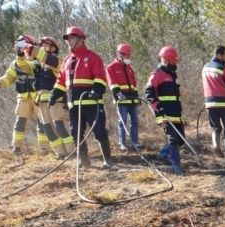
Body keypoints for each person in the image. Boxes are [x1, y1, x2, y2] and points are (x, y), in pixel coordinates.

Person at [49, 26, 112, 168]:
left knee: (99, 131)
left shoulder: (93, 57)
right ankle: (84, 161)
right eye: (67, 39)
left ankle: (107, 160)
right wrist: (54, 94)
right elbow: (61, 81)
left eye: (72, 38)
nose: (69, 41)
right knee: (75, 133)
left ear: (81, 39)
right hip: (74, 106)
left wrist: (97, 90)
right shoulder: (66, 61)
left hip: (91, 103)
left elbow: (100, 77)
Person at [15, 35, 73, 158]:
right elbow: (24, 66)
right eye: (42, 46)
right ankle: (61, 153)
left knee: (61, 127)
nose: (44, 48)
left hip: (56, 101)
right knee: (48, 129)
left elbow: (49, 61)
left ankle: (72, 151)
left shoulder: (58, 62)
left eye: (47, 45)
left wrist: (33, 49)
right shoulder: (37, 65)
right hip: (41, 101)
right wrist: (20, 55)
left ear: (53, 49)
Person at [0, 35, 39, 156]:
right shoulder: (15, 63)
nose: (21, 48)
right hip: (23, 97)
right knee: (19, 123)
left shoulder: (38, 60)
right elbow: (9, 77)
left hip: (38, 97)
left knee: (43, 123)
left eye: (23, 45)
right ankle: (17, 147)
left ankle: (45, 149)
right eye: (19, 46)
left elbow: (28, 68)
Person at [145, 46, 184, 175]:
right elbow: (149, 92)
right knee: (173, 139)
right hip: (164, 113)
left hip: (175, 113)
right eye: (173, 62)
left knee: (180, 139)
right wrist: (158, 108)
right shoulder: (157, 74)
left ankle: (163, 154)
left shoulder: (171, 75)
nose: (175, 65)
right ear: (167, 61)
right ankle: (176, 167)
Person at [106, 43, 143, 152]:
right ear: (120, 54)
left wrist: (137, 97)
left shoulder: (129, 68)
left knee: (134, 121)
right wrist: (118, 93)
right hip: (121, 100)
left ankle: (134, 142)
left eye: (128, 56)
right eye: (126, 56)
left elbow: (133, 84)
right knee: (122, 121)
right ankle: (122, 143)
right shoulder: (111, 67)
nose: (128, 58)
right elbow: (111, 82)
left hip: (132, 99)